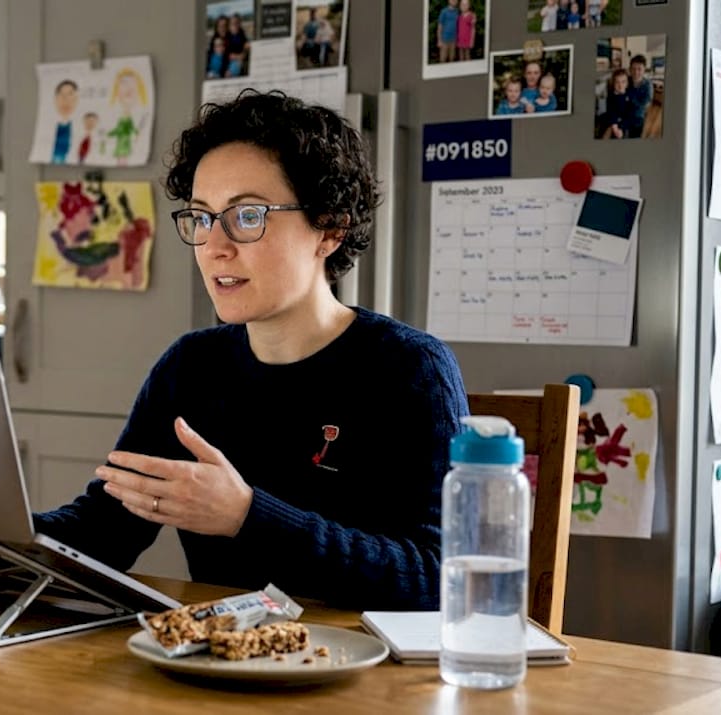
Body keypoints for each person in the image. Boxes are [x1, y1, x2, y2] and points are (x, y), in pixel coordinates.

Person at [33, 90, 469, 610]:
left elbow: (438, 579)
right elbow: (105, 531)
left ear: (329, 227)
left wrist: (246, 515)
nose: (215, 245)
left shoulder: (409, 368)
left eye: (247, 217)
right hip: (218, 668)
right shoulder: (191, 366)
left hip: (366, 677)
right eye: (201, 217)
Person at [599, 69, 633, 139]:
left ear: (627, 84)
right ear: (613, 84)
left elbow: (629, 113)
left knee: (623, 132)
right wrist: (614, 126)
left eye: (623, 82)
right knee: (608, 129)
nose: (620, 85)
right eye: (617, 82)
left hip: (623, 121)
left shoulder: (629, 96)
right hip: (612, 119)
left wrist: (620, 127)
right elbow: (611, 112)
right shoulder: (611, 96)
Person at [626, 54, 653, 139]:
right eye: (633, 69)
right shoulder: (626, 80)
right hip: (624, 115)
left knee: (635, 137)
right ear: (630, 69)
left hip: (638, 118)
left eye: (639, 69)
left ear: (644, 69)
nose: (636, 72)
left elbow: (645, 104)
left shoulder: (648, 85)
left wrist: (630, 99)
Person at [51, 80, 78, 164]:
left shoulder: (78, 126)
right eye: (62, 96)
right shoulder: (50, 126)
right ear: (55, 99)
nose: (66, 101)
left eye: (70, 96)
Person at [437, 0, 459, 64]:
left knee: (452, 59)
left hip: (454, 39)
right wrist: (439, 40)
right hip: (444, 39)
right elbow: (440, 27)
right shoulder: (444, 11)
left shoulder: (457, 11)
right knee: (443, 59)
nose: (454, 1)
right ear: (449, 1)